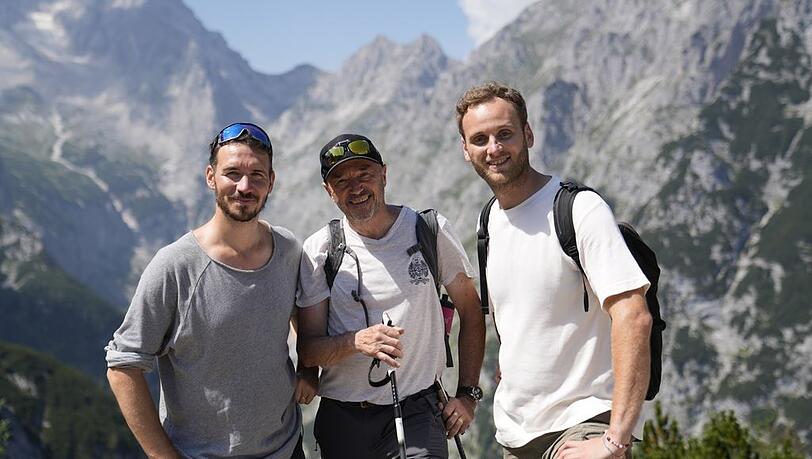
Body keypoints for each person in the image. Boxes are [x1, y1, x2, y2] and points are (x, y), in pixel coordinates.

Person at [456, 82, 653, 459]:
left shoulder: (580, 210)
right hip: (516, 435)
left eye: (505, 134)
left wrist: (615, 440)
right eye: (479, 139)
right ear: (466, 151)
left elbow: (634, 316)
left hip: (583, 428)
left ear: (528, 135)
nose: (494, 148)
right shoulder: (489, 222)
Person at [105, 122, 316, 459]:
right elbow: (122, 366)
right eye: (232, 173)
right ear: (210, 177)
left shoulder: (288, 249)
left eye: (257, 176)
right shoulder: (174, 265)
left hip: (286, 448)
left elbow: (302, 312)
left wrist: (309, 367)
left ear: (271, 182)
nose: (244, 186)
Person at [296, 133, 486, 459]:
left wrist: (468, 394)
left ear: (384, 173)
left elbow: (471, 310)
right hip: (342, 416)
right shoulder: (320, 250)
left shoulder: (429, 231)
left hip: (418, 408)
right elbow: (309, 350)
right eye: (341, 180)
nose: (355, 187)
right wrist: (356, 342)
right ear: (329, 191)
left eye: (364, 175)